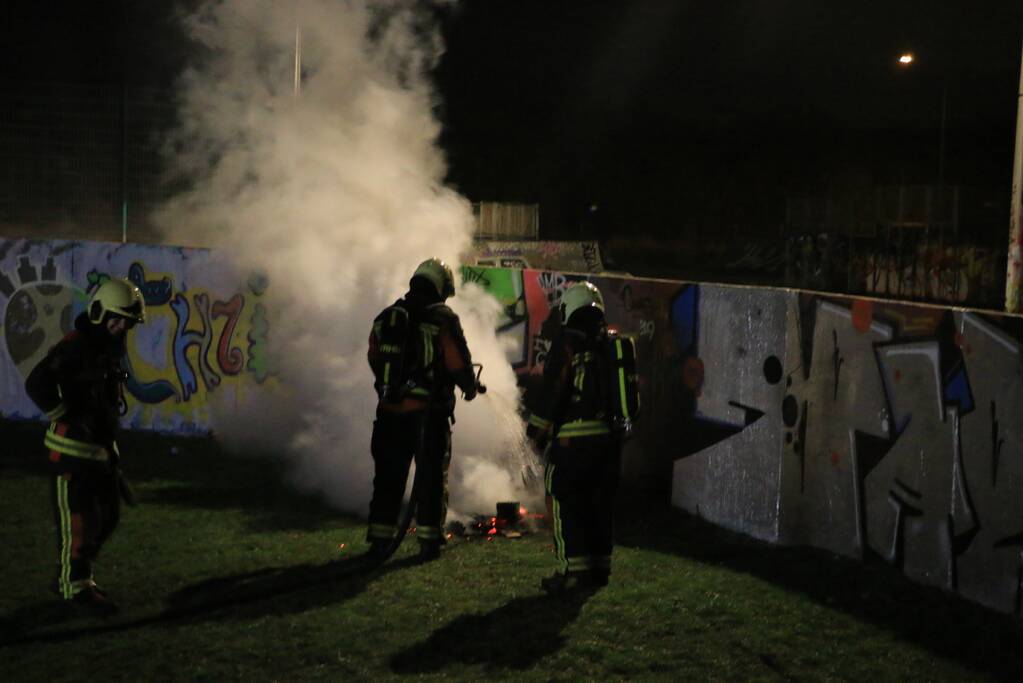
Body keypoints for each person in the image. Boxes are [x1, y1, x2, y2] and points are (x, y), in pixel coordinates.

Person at [24, 277, 146, 614]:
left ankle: (78, 575)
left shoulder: (105, 348)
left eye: (128, 323)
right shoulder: (75, 347)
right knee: (81, 523)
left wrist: (109, 450)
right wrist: (65, 415)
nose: (122, 328)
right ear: (99, 312)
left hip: (98, 450)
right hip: (71, 452)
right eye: (118, 320)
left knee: (108, 516)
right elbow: (37, 383)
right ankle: (74, 586)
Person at [365, 258, 478, 563]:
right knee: (430, 479)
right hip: (428, 416)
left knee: (388, 478)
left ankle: (380, 540)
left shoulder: (387, 317)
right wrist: (469, 386)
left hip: (389, 413)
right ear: (441, 287)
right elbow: (457, 362)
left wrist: (393, 387)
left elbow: (374, 355)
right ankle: (429, 542)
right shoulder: (442, 319)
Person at [526, 281, 626, 594]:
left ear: (570, 307)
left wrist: (535, 432)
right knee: (599, 504)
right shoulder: (611, 342)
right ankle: (599, 568)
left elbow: (554, 390)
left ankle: (574, 571)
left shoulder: (568, 341)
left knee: (564, 499)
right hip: (607, 441)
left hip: (573, 441)